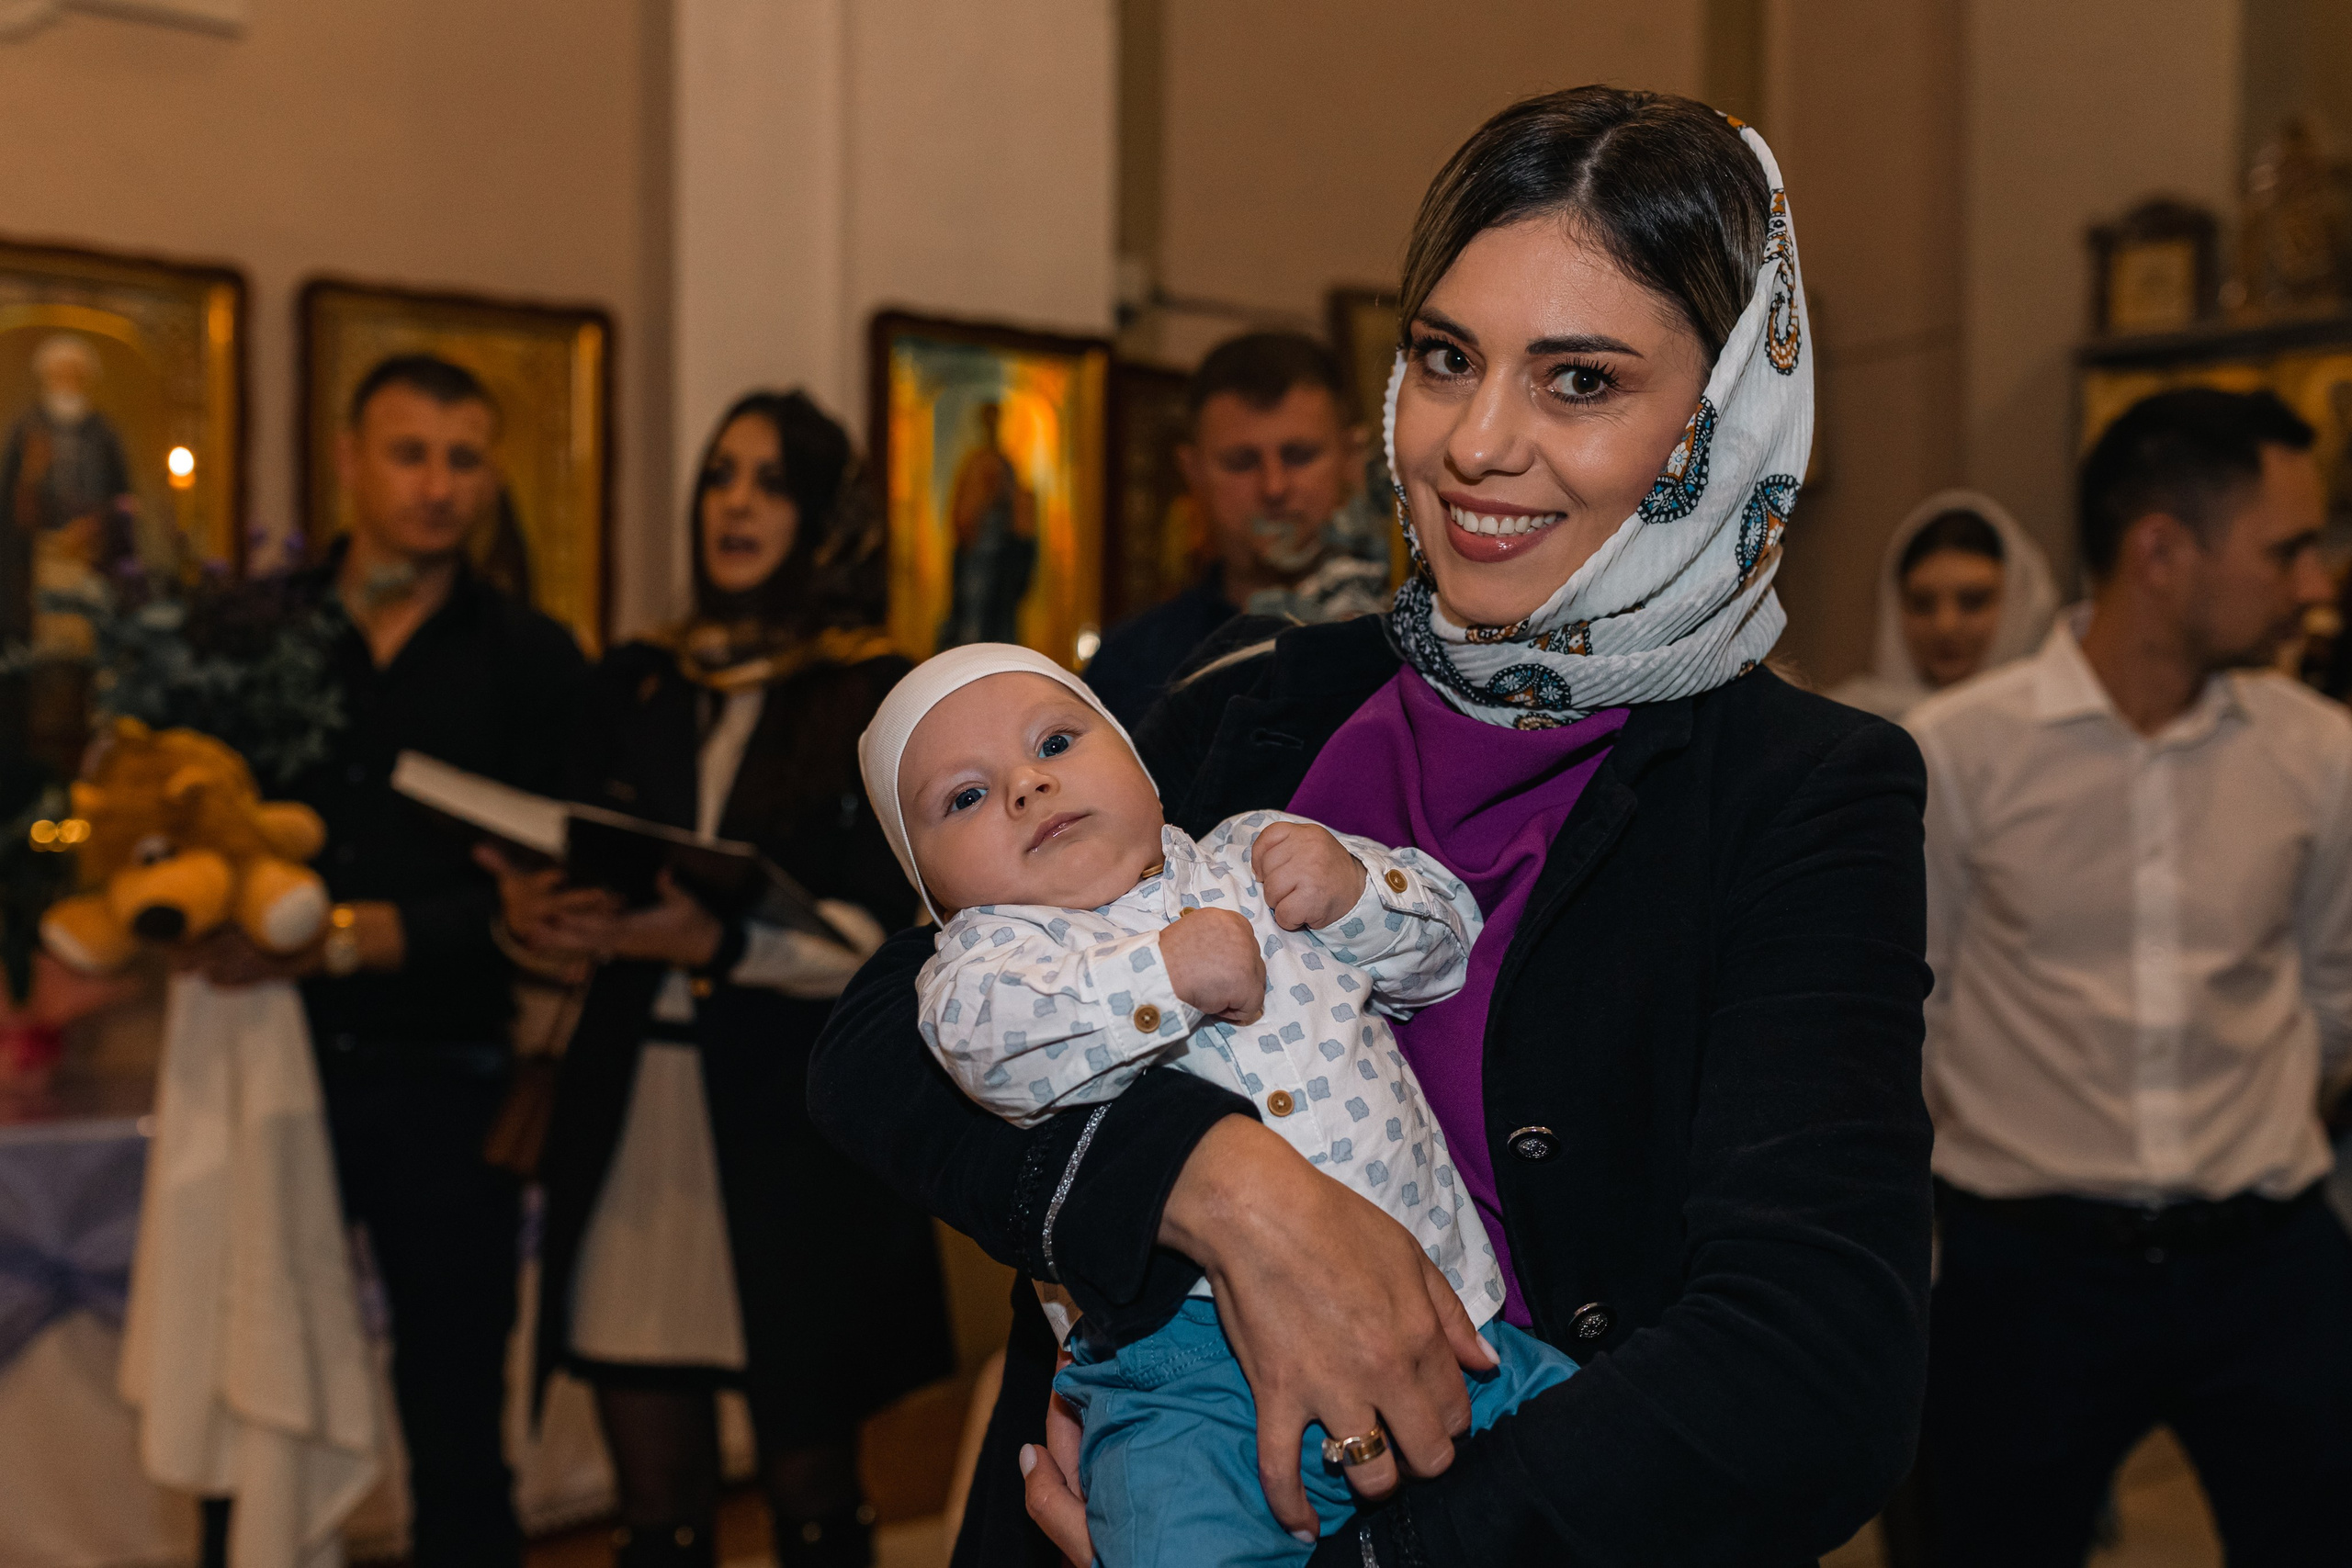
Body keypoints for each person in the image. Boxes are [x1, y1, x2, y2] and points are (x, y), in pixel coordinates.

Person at [813, 86, 1932, 1567]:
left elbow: (1808, 1372)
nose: (1476, 442)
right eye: (1444, 357)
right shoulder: (1251, 704)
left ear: (1725, 419)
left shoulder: (1806, 792)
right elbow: (882, 1036)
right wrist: (1220, 1185)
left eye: (1579, 380)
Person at [860, 642, 1579, 1563]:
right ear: (933, 893)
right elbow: (994, 1055)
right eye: (963, 796)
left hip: (1437, 1313)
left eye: (1057, 741)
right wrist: (1159, 976)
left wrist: (1358, 893)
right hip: (1182, 1389)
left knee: (1616, 1472)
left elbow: (1445, 953)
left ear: (1140, 768)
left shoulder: (1253, 851)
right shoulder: (980, 968)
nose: (1027, 787)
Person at [490, 390, 953, 1568]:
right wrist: (546, 916)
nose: (735, 505)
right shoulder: (641, 677)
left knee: (808, 1480)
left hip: (789, 1128)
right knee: (658, 1502)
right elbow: (590, 848)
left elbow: (901, 941)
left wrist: (722, 948)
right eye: (719, 478)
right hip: (632, 1115)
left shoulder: (874, 692)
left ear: (825, 517)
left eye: (769, 483)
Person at [1908, 386, 2352, 1566]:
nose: (2315, 584)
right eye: (2289, 548)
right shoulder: (1959, 756)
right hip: (2027, 1271)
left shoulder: (2320, 754)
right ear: (2161, 549)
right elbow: (1917, 1004)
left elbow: (2331, 998)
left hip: (2270, 1260)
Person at [181, 353, 587, 1567]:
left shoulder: (528, 653)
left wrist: (364, 935)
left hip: (446, 1067)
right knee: (248, 1384)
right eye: (409, 453)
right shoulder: (253, 634)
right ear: (350, 460)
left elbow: (555, 884)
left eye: (465, 458)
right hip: (265, 1061)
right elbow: (187, 818)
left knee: (456, 1411)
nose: (438, 486)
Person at [1083, 333, 1375, 730]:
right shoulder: (1132, 665)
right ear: (1193, 471)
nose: (1274, 487)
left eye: (1300, 456)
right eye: (1241, 462)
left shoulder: (1408, 640)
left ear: (1351, 458)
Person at [1829, 490, 2057, 722]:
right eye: (1921, 604)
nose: (1945, 626)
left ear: (2020, 606)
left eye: (1973, 602)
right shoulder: (1844, 723)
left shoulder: (2062, 726)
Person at [940, 401, 1039, 648]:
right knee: (972, 626)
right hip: (977, 561)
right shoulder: (976, 464)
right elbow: (963, 514)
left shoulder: (1006, 464)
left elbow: (1019, 518)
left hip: (1002, 563)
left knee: (1002, 629)